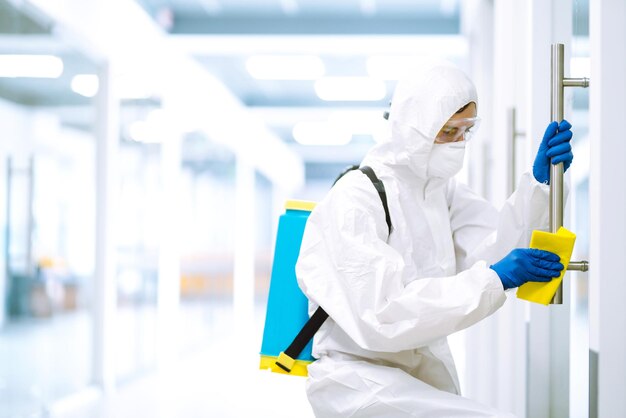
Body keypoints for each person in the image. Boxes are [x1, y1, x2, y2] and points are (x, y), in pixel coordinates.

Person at [295, 61, 573, 417]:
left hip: (418, 374)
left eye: (465, 131)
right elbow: (384, 314)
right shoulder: (355, 199)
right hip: (359, 382)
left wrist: (540, 187)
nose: (458, 143)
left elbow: (501, 251)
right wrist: (496, 277)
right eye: (447, 132)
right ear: (414, 128)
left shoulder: (440, 193)